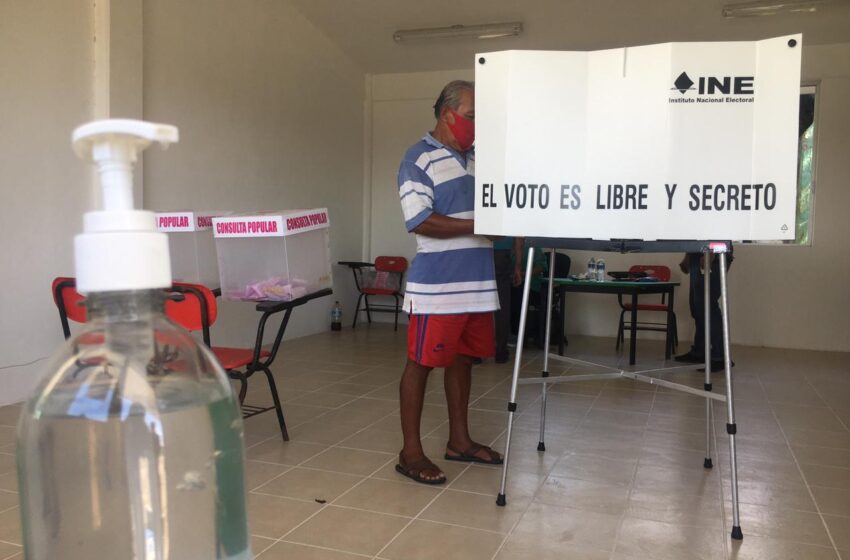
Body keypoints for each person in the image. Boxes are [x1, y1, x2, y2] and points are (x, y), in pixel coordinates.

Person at [394, 80, 502, 485]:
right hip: (436, 289)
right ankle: (410, 452)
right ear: (446, 114)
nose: (476, 126)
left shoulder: (478, 158)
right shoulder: (417, 159)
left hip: (477, 285)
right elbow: (419, 220)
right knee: (420, 365)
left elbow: (494, 209)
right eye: (471, 117)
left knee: (463, 362)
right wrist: (482, 223)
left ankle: (460, 441)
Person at [675, 250, 734, 372]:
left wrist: (710, 254)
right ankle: (700, 351)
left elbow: (717, 231)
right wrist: (688, 256)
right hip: (697, 254)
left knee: (708, 305)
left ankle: (720, 356)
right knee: (697, 307)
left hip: (715, 255)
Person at [493, 237, 523, 363]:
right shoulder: (515, 215)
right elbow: (519, 241)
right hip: (502, 254)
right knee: (502, 303)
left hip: (480, 251)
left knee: (477, 300)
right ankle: (500, 352)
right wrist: (517, 266)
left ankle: (474, 352)